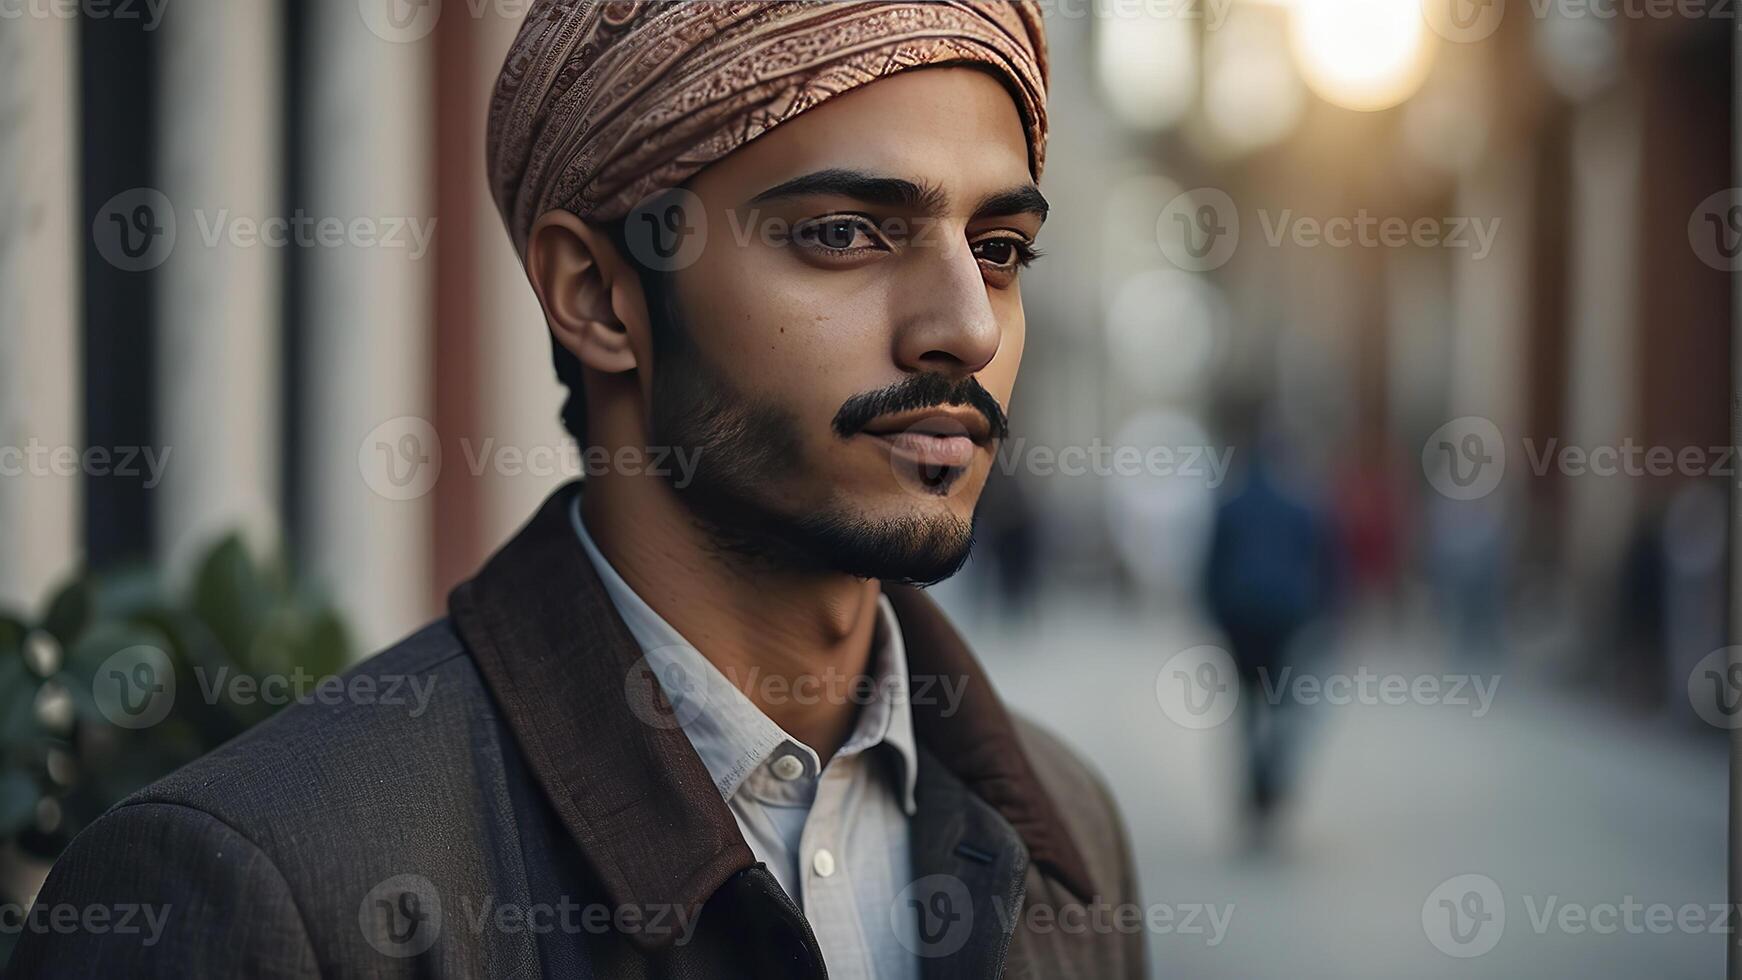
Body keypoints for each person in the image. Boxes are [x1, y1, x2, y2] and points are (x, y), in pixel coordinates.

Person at [9, 3, 1144, 977]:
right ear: (596, 294)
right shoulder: (257, 887)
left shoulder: (1063, 823)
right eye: (844, 232)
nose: (964, 325)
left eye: (997, 250)